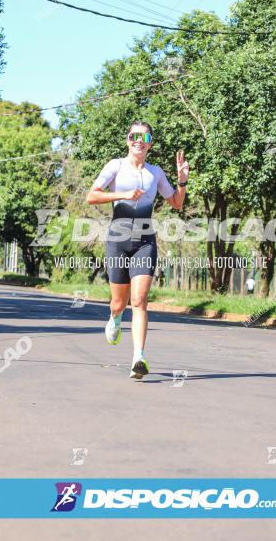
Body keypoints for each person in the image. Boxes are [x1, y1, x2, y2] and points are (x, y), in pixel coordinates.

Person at [86, 120, 189, 380]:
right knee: (119, 302)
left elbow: (176, 203)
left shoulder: (156, 173)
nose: (139, 141)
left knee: (140, 300)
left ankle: (138, 358)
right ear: (128, 140)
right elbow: (92, 195)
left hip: (145, 241)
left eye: (144, 137)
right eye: (134, 136)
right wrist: (121, 196)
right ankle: (115, 317)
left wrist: (182, 181)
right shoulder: (115, 166)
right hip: (118, 241)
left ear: (150, 143)